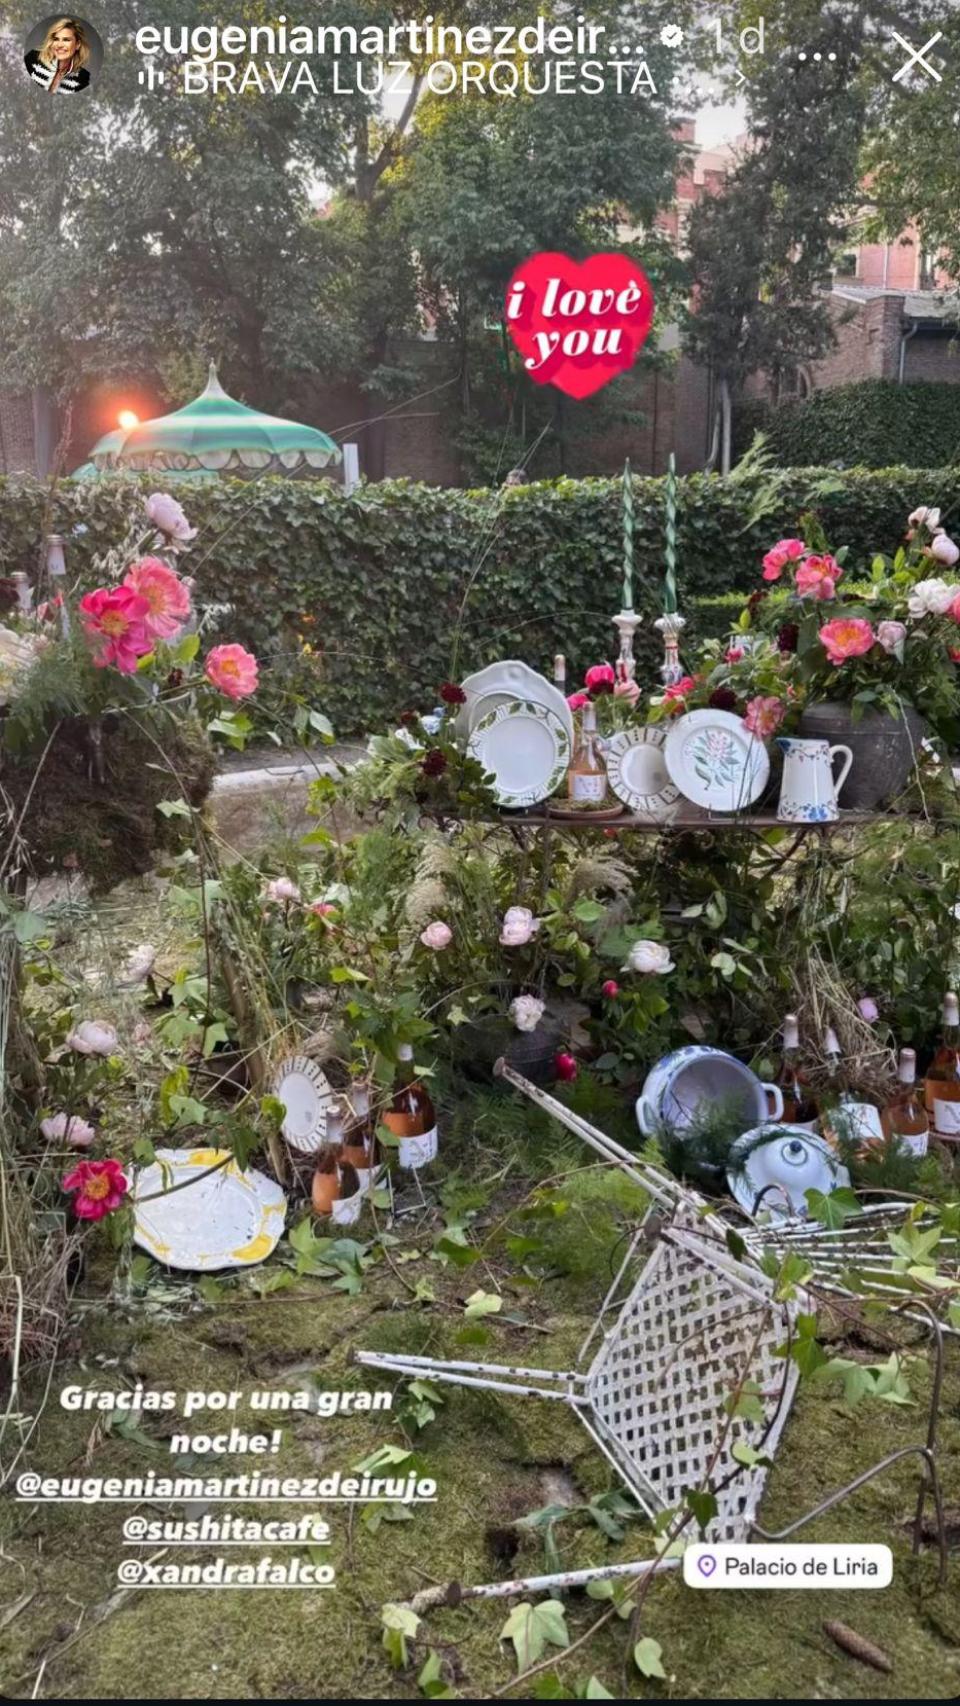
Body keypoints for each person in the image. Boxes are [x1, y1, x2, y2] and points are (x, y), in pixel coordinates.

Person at [24, 18, 92, 92]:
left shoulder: (83, 78)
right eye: (56, 39)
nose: (59, 45)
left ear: (77, 44)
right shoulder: (33, 58)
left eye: (66, 40)